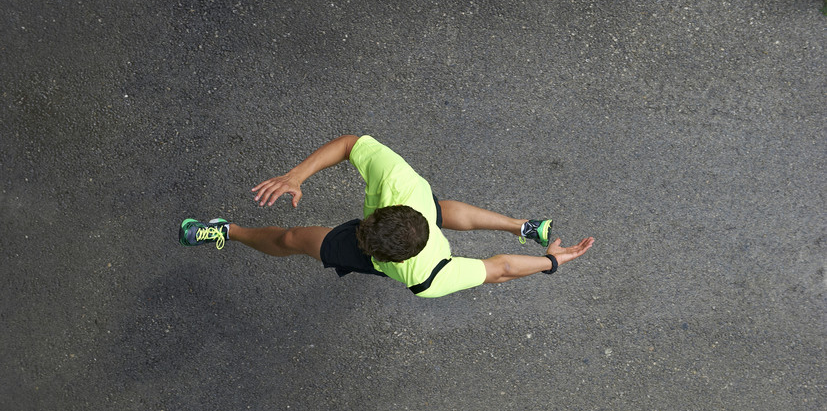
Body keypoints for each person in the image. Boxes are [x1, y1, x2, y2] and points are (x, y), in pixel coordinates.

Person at [179, 135, 594, 297]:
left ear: (390, 260)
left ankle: (226, 231)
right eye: (366, 230)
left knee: (292, 241)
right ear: (392, 210)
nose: (359, 232)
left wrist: (554, 262)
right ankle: (523, 226)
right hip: (418, 212)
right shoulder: (401, 184)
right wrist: (295, 175)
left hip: (415, 244)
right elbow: (350, 144)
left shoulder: (427, 277)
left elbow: (500, 268)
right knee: (437, 207)